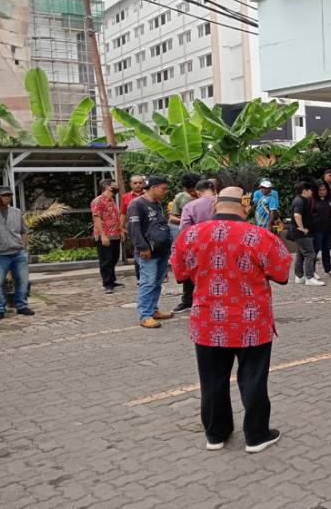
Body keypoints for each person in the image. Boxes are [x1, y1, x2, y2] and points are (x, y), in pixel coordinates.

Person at [171, 187, 292, 453]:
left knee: (212, 380)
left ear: (215, 206)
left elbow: (180, 274)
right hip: (251, 322)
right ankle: (256, 435)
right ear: (244, 207)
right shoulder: (261, 236)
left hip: (208, 322)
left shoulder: (188, 236)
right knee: (253, 379)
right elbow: (282, 274)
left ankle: (215, 435)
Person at [127, 176, 174, 329]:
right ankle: (145, 315)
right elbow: (134, 229)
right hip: (148, 252)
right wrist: (142, 247)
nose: (165, 192)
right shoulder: (137, 204)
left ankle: (153, 310)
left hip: (161, 250)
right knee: (147, 282)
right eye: (163, 188)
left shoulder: (157, 204)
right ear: (153, 187)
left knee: (157, 283)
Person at [0, 186, 34, 321]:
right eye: (4, 195)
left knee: (22, 281)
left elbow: (23, 231)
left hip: (17, 253)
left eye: (9, 195)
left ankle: (21, 306)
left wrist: (24, 249)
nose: (8, 197)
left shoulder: (16, 212)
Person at [174, 179, 217, 313]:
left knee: (193, 275)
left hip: (198, 247)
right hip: (222, 246)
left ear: (198, 192)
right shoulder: (225, 203)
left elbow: (184, 229)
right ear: (214, 190)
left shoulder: (191, 206)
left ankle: (189, 301)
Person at [91, 178, 124, 294]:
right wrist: (103, 235)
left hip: (115, 234)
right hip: (105, 235)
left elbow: (115, 217)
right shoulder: (98, 201)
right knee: (106, 259)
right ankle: (107, 283)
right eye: (114, 184)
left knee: (114, 258)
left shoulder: (112, 201)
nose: (116, 186)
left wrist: (120, 230)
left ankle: (112, 280)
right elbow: (97, 219)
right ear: (107, 186)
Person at [290, 181, 324, 287]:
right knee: (310, 254)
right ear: (305, 191)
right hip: (301, 233)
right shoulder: (300, 201)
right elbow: (297, 215)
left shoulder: (302, 200)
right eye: (310, 190)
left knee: (301, 253)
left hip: (300, 232)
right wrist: (302, 228)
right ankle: (309, 277)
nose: (312, 192)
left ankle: (299, 276)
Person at [311, 180, 331, 278]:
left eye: (324, 189)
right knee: (315, 250)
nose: (323, 192)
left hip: (329, 228)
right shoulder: (312, 200)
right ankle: (312, 271)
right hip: (317, 229)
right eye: (320, 190)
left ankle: (328, 270)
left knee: (326, 249)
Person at [120, 175, 145, 276]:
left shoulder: (149, 194)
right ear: (130, 185)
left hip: (148, 227)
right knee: (137, 250)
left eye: (140, 182)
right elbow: (123, 213)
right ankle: (140, 276)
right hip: (133, 229)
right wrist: (121, 227)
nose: (138, 185)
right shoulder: (126, 197)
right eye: (135, 183)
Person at [168, 173, 201, 239]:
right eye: (190, 191)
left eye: (195, 190)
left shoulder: (205, 196)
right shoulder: (181, 197)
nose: (194, 193)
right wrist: (185, 221)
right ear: (185, 188)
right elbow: (171, 218)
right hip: (182, 229)